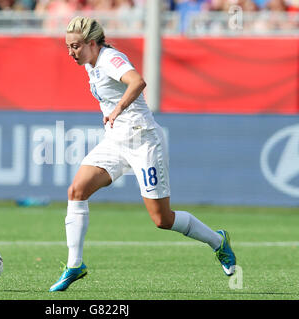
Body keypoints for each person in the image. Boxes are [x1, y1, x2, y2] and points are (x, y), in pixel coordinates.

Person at [49, 16, 236, 292]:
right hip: (115, 141)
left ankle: (218, 242)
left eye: (75, 46)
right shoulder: (91, 64)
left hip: (143, 141)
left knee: (162, 219)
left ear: (91, 43)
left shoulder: (110, 58)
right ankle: (75, 265)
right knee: (76, 190)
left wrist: (117, 109)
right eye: (68, 47)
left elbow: (137, 82)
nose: (70, 53)